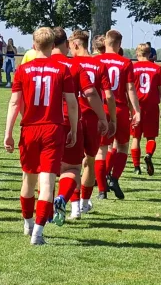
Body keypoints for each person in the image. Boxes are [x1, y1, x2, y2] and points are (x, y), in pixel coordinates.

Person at [3, 27, 78, 245]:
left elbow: (15, 103)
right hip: (53, 128)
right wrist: (72, 128)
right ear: (53, 45)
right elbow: (72, 105)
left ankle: (27, 223)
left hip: (29, 128)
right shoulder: (63, 69)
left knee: (28, 178)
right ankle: (38, 231)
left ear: (34, 45)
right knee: (47, 182)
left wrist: (8, 132)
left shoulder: (23, 70)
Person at [51, 28, 109, 222]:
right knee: (84, 163)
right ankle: (81, 204)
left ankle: (43, 214)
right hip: (84, 119)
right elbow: (100, 94)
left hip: (51, 120)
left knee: (48, 169)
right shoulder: (90, 64)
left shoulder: (37, 63)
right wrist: (106, 118)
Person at [66, 29, 117, 216]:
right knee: (90, 160)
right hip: (93, 118)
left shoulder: (70, 65)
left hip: (72, 117)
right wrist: (111, 119)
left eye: (70, 46)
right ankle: (85, 203)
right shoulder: (99, 64)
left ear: (76, 44)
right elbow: (109, 96)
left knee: (72, 165)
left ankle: (74, 206)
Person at [95, 30, 141, 200]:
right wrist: (136, 110)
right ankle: (114, 179)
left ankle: (101, 191)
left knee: (101, 150)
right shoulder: (125, 62)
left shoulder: (95, 61)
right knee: (122, 146)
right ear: (119, 44)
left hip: (101, 108)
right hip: (120, 109)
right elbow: (130, 89)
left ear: (105, 42)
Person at [131, 43, 161, 175]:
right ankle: (148, 155)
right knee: (151, 137)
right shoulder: (157, 68)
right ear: (150, 54)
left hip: (136, 106)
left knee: (135, 138)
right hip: (152, 106)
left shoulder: (132, 68)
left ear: (137, 53)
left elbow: (128, 89)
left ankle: (136, 167)